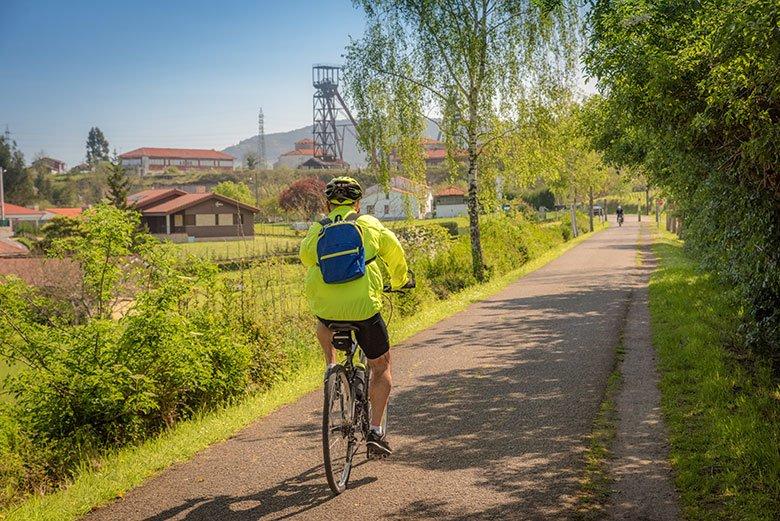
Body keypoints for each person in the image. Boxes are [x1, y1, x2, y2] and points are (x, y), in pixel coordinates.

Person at [299, 176, 412, 456]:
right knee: (381, 366)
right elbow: (394, 252)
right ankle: (375, 432)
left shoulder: (318, 229)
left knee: (322, 321)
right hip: (363, 310)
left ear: (328, 204)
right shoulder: (368, 224)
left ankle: (331, 367)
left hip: (327, 309)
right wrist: (399, 281)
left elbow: (305, 258)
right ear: (358, 203)